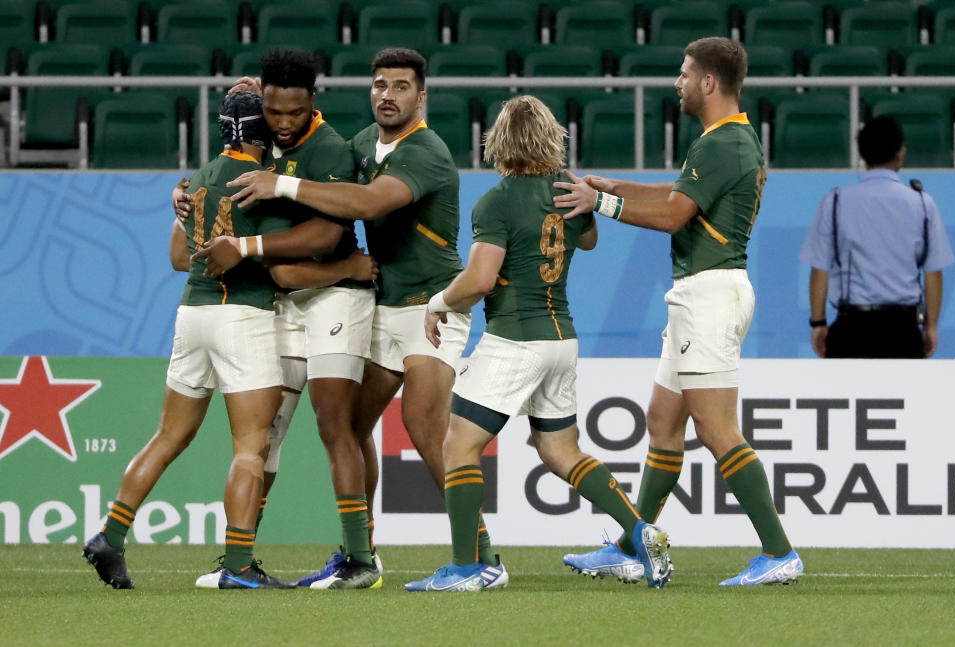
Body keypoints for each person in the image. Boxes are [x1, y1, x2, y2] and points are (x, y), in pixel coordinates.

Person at [197, 47, 502, 580]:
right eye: (380, 84)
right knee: (350, 426)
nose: (388, 95)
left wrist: (282, 184)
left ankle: (481, 557)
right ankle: (362, 553)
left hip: (432, 306)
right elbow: (307, 138)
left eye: (401, 86)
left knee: (422, 424)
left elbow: (367, 204)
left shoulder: (426, 150)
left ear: (421, 96)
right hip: (383, 306)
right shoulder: (361, 144)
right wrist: (252, 97)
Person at [553, 37, 803, 587]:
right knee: (663, 422)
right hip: (702, 294)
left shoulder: (721, 144)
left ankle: (779, 551)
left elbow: (673, 216)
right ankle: (630, 545)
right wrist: (617, 185)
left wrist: (604, 204)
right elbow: (678, 194)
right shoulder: (727, 140)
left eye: (685, 73)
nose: (678, 81)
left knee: (719, 432)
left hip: (709, 296)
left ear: (709, 83)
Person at [404, 96, 673, 592]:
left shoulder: (497, 201)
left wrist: (438, 301)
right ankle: (639, 530)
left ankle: (468, 569)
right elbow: (587, 241)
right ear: (552, 137)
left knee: (459, 446)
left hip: (514, 339)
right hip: (561, 339)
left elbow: (481, 279)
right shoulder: (569, 191)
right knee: (560, 449)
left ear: (498, 142)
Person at [82, 91, 292, 590]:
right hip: (242, 315)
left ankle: (110, 535)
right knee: (251, 446)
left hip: (193, 312)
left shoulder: (197, 179)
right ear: (262, 129)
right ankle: (239, 566)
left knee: (169, 436)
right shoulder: (260, 184)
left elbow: (181, 258)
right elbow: (282, 263)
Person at [799, 115, 954, 359]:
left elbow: (820, 268)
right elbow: (933, 272)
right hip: (903, 331)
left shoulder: (836, 201)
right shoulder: (922, 203)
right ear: (901, 153)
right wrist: (930, 328)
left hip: (851, 329)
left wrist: (818, 323)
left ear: (861, 153)